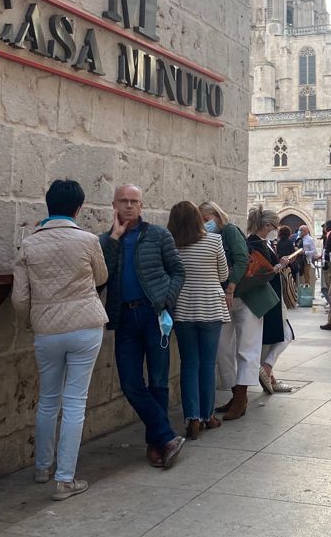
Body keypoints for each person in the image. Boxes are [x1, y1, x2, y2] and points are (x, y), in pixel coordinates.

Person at [13, 179, 107, 501]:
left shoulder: (29, 244)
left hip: (47, 329)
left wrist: (34, 319)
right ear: (79, 208)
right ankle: (65, 478)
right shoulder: (88, 240)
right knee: (75, 402)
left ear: (47, 204)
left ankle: (42, 467)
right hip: (85, 325)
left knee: (48, 399)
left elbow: (19, 297)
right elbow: (101, 277)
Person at [100, 184, 186, 469]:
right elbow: (103, 277)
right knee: (130, 383)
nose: (128, 206)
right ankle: (166, 436)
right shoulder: (106, 241)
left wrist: (166, 300)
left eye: (134, 201)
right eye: (123, 201)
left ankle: (156, 444)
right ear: (114, 205)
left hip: (154, 316)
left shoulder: (159, 235)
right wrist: (114, 238)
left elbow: (177, 270)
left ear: (141, 205)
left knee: (158, 381)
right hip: (125, 318)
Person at [167, 201, 229, 440]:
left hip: (183, 309)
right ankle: (208, 415)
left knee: (189, 363)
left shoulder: (172, 245)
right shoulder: (214, 241)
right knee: (207, 364)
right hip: (211, 309)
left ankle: (191, 417)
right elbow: (223, 274)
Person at [198, 201, 252, 422]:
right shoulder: (210, 237)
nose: (204, 224)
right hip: (225, 298)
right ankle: (234, 393)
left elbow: (242, 259)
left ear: (217, 215)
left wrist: (230, 287)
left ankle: (241, 398)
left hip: (246, 296)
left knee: (246, 348)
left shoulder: (229, 231)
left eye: (206, 219)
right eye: (201, 220)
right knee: (223, 347)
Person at [256, 212, 296, 396]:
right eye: (275, 226)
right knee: (286, 334)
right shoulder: (256, 243)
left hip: (272, 295)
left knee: (277, 336)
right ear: (267, 226)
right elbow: (264, 271)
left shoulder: (264, 243)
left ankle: (270, 377)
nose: (276, 230)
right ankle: (267, 368)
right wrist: (281, 264)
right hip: (268, 296)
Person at [297, 224, 318, 293]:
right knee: (299, 279)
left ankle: (306, 294)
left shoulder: (310, 240)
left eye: (301, 230)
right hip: (298, 261)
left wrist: (305, 252)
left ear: (306, 231)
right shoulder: (298, 238)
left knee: (306, 278)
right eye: (299, 230)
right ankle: (299, 293)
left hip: (306, 261)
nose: (299, 232)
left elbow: (314, 252)